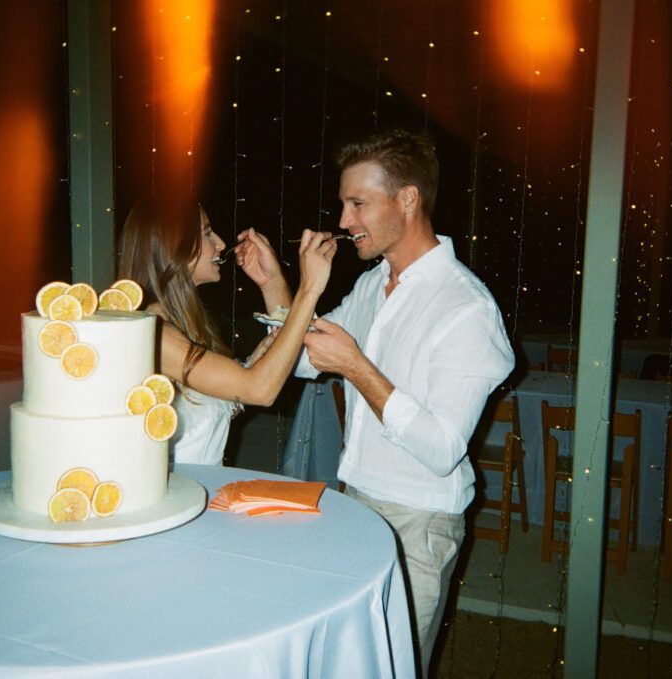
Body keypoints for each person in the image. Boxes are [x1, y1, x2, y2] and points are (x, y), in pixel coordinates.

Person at [242, 128, 515, 675]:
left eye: (357, 203)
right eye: (344, 203)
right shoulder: (373, 285)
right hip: (356, 503)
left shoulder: (467, 307)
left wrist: (357, 368)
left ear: (407, 200)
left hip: (419, 520)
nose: (343, 221)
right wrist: (277, 286)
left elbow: (441, 449)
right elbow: (300, 357)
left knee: (390, 668)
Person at [118, 199, 337, 465]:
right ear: (174, 246)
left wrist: (271, 283)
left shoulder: (182, 325)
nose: (221, 243)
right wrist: (310, 288)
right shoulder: (156, 336)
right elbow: (260, 390)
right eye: (207, 233)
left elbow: (215, 404)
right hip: (179, 499)